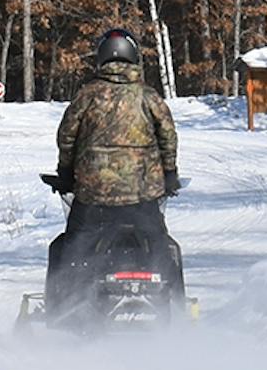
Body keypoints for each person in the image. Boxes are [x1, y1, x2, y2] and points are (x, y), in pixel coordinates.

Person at [48, 27, 184, 303]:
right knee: (161, 245)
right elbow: (168, 136)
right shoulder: (148, 96)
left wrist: (65, 172)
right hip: (143, 198)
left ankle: (64, 307)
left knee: (72, 248)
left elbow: (67, 137)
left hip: (93, 199)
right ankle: (174, 304)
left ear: (101, 58)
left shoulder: (86, 96)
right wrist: (169, 173)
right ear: (133, 57)